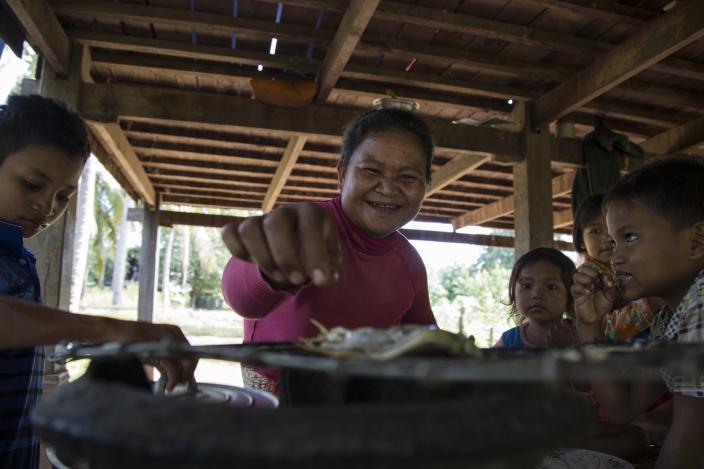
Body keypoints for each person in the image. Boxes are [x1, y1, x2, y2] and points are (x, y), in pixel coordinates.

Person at [0, 94, 194, 469]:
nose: (47, 207)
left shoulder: (18, 258)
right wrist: (110, 330)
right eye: (31, 184)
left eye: (63, 196)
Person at [221, 108, 437, 393]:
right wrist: (271, 268)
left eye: (408, 177)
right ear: (343, 173)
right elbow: (241, 298)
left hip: (361, 406)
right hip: (278, 400)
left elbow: (425, 338)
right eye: (372, 171)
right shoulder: (308, 227)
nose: (388, 187)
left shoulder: (410, 263)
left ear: (426, 186)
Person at [572, 156, 704, 468]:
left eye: (629, 237)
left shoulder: (701, 303)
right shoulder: (668, 320)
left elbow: (693, 433)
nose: (615, 257)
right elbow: (623, 409)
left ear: (696, 243)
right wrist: (590, 326)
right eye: (614, 243)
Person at [573, 194, 660, 340]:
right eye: (595, 231)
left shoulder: (633, 265)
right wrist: (652, 303)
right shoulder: (587, 278)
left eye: (613, 230)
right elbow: (607, 330)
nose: (607, 238)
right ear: (581, 240)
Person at [494, 247, 576, 348]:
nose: (536, 294)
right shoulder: (508, 341)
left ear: (570, 293)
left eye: (551, 287)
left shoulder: (581, 336)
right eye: (526, 286)